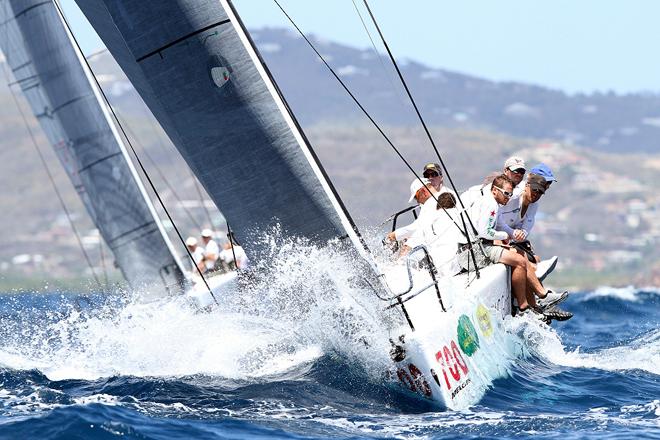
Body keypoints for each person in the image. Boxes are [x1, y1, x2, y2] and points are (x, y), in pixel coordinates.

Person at [459, 174, 549, 317]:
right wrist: (503, 236)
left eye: (511, 194)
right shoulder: (490, 205)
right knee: (519, 261)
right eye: (506, 193)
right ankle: (525, 305)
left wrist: (513, 233)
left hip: (483, 245)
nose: (508, 197)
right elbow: (485, 232)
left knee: (520, 256)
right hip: (476, 250)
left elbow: (501, 225)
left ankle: (532, 302)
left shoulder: (496, 204)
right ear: (495, 191)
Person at [386, 178, 437, 243]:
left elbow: (417, 226)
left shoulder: (430, 204)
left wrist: (394, 235)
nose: (418, 201)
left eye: (416, 197)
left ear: (423, 191)